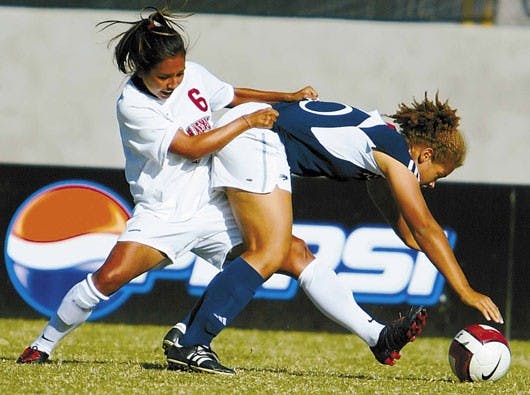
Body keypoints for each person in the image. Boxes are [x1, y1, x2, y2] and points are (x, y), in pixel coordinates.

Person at [15, 6, 318, 365]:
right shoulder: (133, 106)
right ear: (141, 70)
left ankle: (375, 334)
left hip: (212, 204)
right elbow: (191, 149)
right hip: (164, 213)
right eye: (164, 77)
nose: (174, 82)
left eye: (179, 73)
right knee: (107, 279)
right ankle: (43, 344)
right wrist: (248, 123)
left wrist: (287, 96)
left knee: (288, 253)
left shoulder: (192, 76)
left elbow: (229, 94)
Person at [164, 94, 504, 374]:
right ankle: (193, 342)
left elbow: (412, 236)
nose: (430, 184)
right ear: (425, 154)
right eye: (437, 175)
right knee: (269, 250)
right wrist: (465, 290)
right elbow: (426, 228)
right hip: (258, 134)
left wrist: (433, 246)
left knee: (293, 253)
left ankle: (378, 337)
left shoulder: (383, 144)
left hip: (251, 128)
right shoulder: (396, 155)